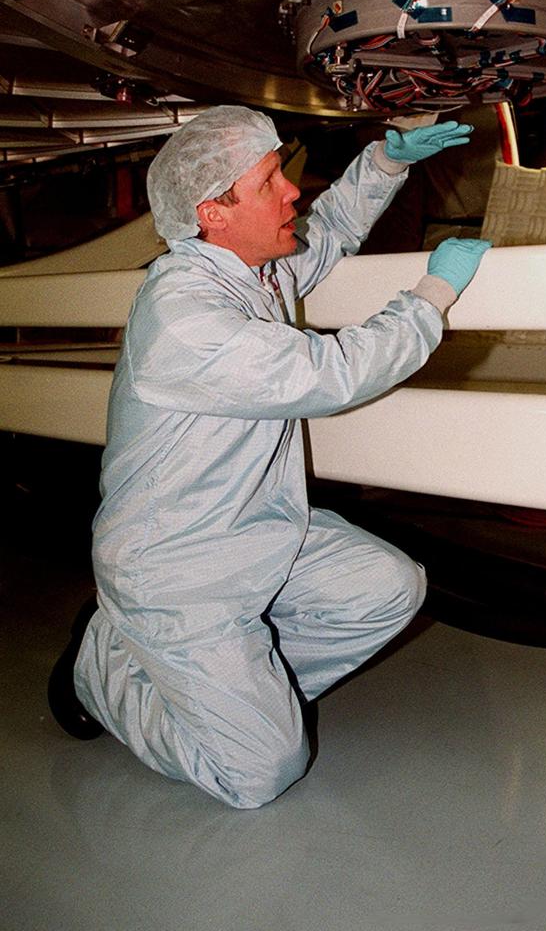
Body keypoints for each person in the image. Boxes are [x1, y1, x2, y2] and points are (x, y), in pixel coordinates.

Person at [48, 105, 491, 809]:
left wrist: (386, 163)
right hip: (175, 568)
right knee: (260, 772)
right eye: (268, 182)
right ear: (213, 213)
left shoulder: (253, 270)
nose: (291, 191)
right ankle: (102, 670)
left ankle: (232, 692)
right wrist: (431, 297)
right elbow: (333, 373)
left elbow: (330, 231)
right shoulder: (185, 317)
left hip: (255, 533)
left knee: (389, 588)